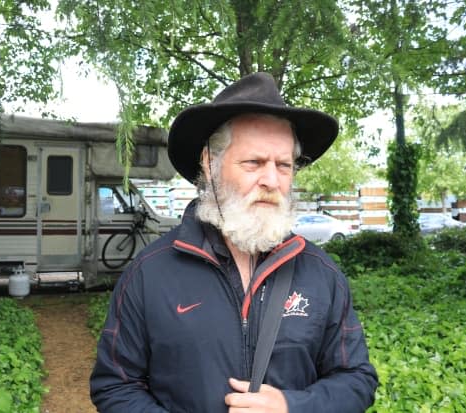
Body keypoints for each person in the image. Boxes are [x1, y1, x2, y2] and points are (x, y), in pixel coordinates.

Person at [90, 72, 378, 412]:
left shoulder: (322, 275)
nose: (271, 179)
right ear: (210, 165)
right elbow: (115, 385)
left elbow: (357, 380)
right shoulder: (149, 274)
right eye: (254, 162)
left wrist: (292, 406)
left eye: (284, 165)